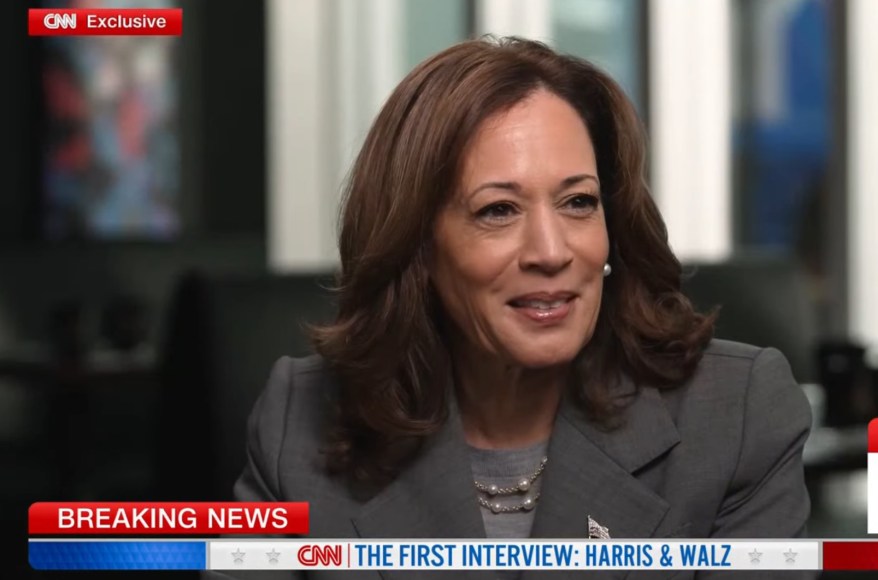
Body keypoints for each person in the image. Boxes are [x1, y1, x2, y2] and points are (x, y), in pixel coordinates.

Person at [207, 36, 812, 579]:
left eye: (578, 202)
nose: (552, 252)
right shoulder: (298, 421)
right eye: (498, 211)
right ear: (418, 248)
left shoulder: (735, 416)